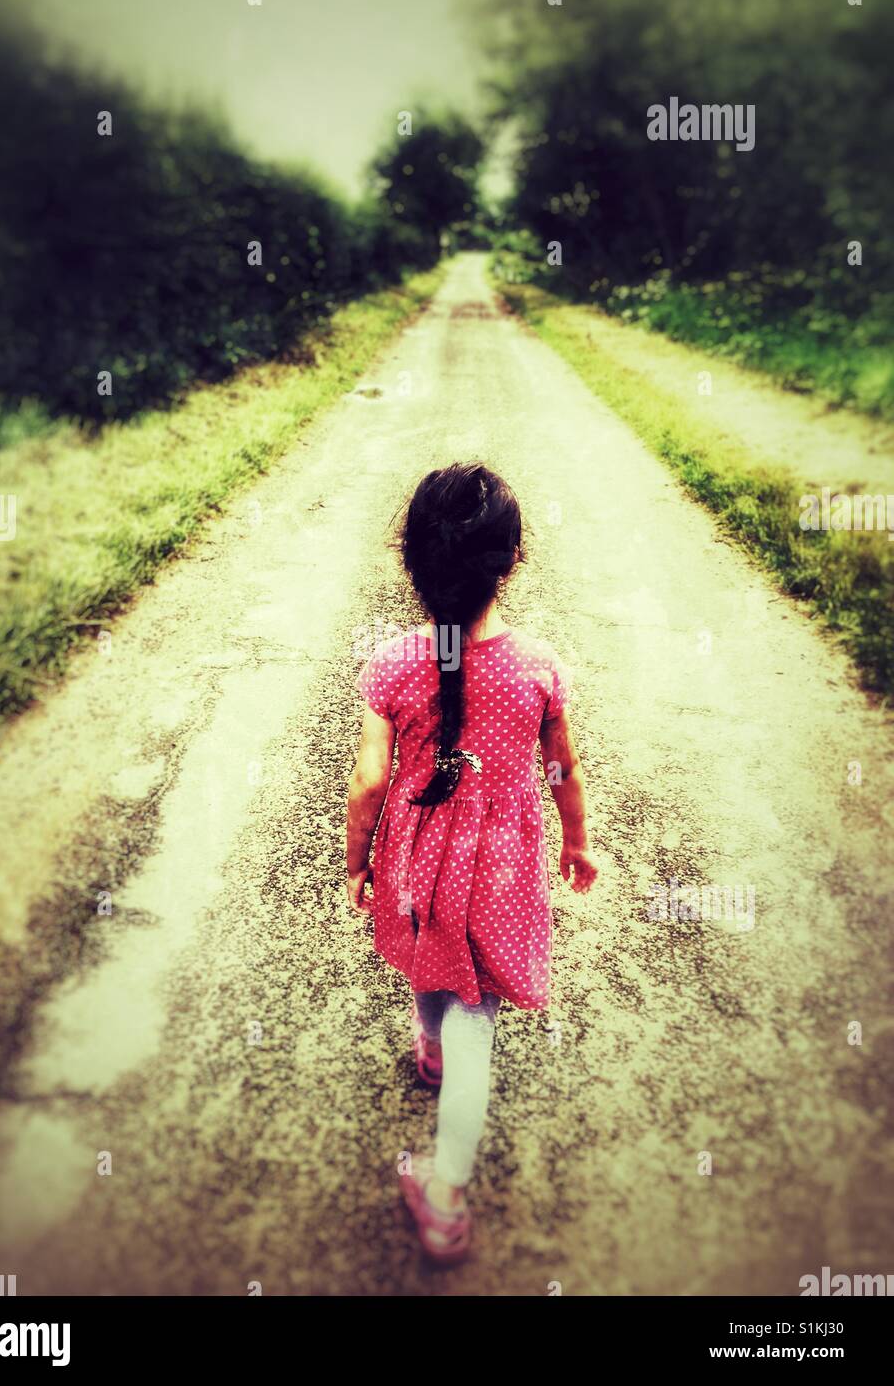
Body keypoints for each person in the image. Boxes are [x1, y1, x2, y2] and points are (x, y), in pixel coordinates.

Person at [346, 463, 596, 1264]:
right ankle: (446, 1197)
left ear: (411, 560)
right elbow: (562, 768)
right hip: (497, 873)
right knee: (474, 1022)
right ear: (511, 560)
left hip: (416, 861)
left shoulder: (393, 664)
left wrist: (357, 861)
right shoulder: (537, 666)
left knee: (427, 954)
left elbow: (370, 782)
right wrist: (576, 841)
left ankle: (429, 1048)